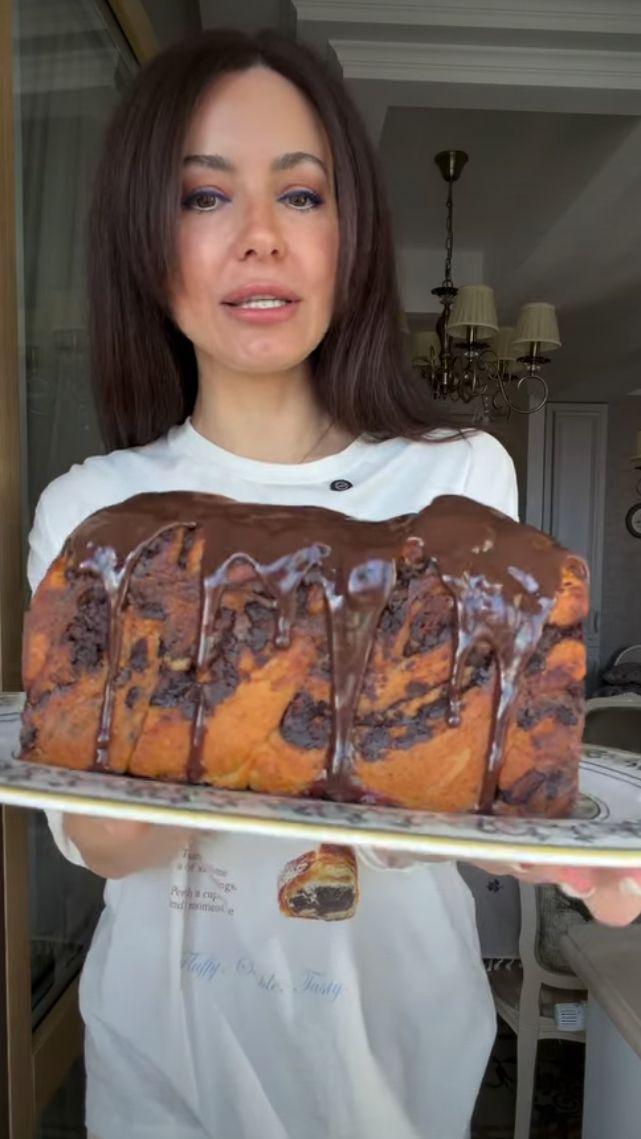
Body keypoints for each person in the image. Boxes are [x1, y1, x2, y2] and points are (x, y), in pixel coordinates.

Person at [27, 30, 641, 1139]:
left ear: (349, 236)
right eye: (203, 196)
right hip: (168, 1059)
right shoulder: (98, 515)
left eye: (301, 193)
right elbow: (101, 838)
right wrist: (250, 701)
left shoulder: (457, 478)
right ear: (144, 241)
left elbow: (451, 788)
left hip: (391, 1056)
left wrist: (551, 848)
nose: (259, 234)